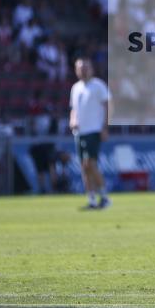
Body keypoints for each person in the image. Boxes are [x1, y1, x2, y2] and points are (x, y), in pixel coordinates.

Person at [69, 57, 111, 210]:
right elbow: (73, 108)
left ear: (91, 69)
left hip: (93, 130)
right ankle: (92, 199)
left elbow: (107, 106)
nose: (83, 70)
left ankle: (105, 196)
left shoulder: (98, 86)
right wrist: (72, 120)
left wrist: (105, 127)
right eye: (80, 68)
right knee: (83, 166)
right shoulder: (75, 88)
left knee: (90, 164)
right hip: (79, 132)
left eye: (86, 67)